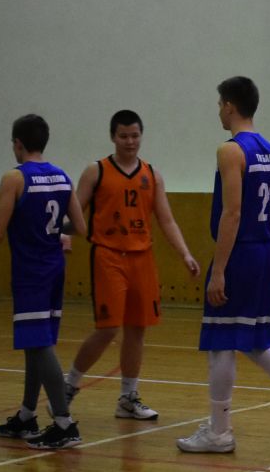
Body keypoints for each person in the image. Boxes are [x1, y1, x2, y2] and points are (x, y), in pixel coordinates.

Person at [178, 77, 270, 454]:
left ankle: (219, 431)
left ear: (230, 105)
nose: (218, 111)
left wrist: (219, 270)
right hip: (264, 250)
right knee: (255, 338)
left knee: (221, 341)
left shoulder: (231, 150)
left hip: (240, 252)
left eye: (219, 104)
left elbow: (232, 212)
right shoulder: (269, 150)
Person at [0, 114, 89, 450]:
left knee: (40, 345)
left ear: (17, 144)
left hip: (31, 271)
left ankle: (64, 423)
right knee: (36, 342)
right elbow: (80, 227)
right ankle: (27, 415)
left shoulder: (14, 178)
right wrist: (54, 231)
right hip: (55, 268)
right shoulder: (62, 176)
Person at [64, 110, 200, 421]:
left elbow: (166, 220)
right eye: (124, 136)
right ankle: (68, 385)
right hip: (108, 256)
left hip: (142, 257)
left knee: (137, 329)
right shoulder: (96, 171)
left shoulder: (152, 174)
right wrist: (65, 236)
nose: (130, 141)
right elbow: (74, 210)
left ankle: (128, 396)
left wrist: (185, 254)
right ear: (113, 137)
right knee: (108, 329)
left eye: (135, 136)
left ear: (141, 136)